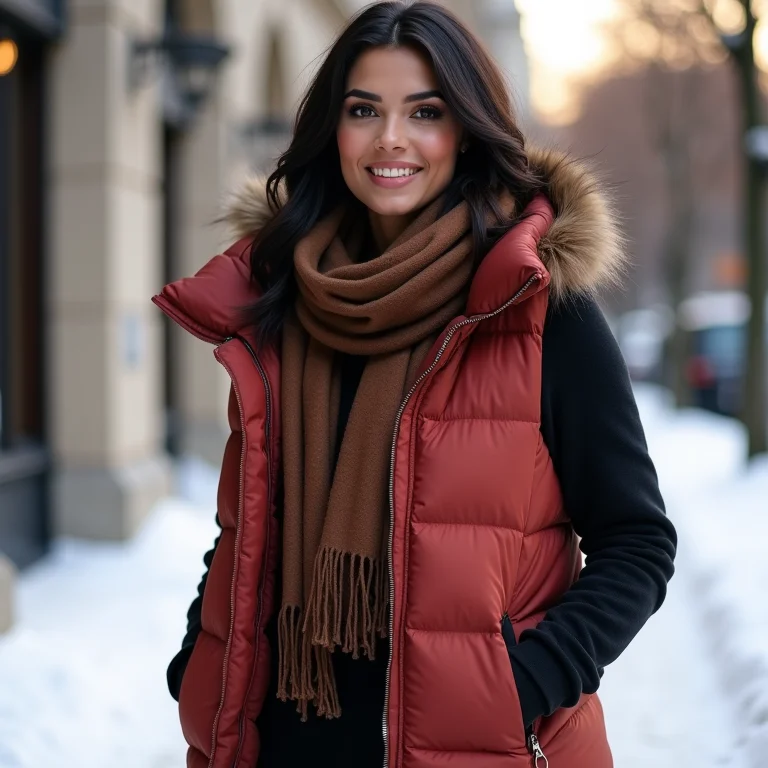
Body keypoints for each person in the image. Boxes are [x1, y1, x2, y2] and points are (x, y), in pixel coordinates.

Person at [153, 2, 677, 766]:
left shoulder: (538, 309)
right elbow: (248, 524)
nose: (390, 138)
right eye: (363, 110)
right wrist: (196, 662)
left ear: (466, 130)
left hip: (474, 746)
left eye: (425, 112)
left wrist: (524, 685)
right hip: (281, 742)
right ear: (332, 129)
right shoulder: (280, 303)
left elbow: (637, 542)